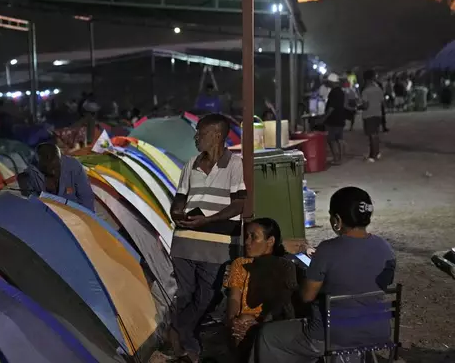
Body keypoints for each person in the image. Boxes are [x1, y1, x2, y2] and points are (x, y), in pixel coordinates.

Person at [249, 187, 396, 363]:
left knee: (267, 335)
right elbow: (382, 284)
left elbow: (306, 296)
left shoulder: (327, 249)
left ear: (337, 220)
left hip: (332, 334)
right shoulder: (385, 248)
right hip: (376, 330)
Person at [169, 113, 246, 363]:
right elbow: (180, 198)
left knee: (209, 295)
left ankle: (179, 332)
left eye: (200, 134)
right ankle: (188, 342)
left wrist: (208, 220)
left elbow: (239, 205)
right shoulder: (190, 164)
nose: (196, 138)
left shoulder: (235, 164)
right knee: (185, 293)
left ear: (216, 136)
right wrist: (176, 212)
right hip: (185, 240)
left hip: (217, 243)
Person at [225, 218, 298, 362]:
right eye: (246, 236)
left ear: (270, 241)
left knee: (247, 324)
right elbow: (234, 297)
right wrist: (233, 320)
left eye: (254, 237)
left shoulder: (284, 266)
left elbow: (282, 304)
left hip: (272, 320)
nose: (247, 242)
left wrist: (259, 323)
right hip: (243, 321)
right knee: (241, 323)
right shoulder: (240, 264)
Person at [36, 143, 95, 211]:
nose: (53, 172)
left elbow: (86, 198)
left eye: (56, 167)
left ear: (61, 159)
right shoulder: (32, 173)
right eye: (48, 167)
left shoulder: (74, 167)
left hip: (73, 214)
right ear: (39, 163)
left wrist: (86, 219)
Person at [360, 70, 384, 163]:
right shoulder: (378, 89)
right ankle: (377, 153)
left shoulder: (365, 91)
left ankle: (372, 156)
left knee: (372, 136)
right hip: (378, 114)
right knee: (376, 135)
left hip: (369, 115)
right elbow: (382, 102)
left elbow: (365, 106)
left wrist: (359, 106)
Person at [322, 73, 346, 165]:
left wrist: (324, 117)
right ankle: (340, 158)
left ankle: (336, 158)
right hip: (340, 118)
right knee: (339, 139)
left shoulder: (333, 92)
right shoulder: (341, 91)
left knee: (331, 139)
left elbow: (331, 107)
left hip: (333, 119)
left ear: (332, 82)